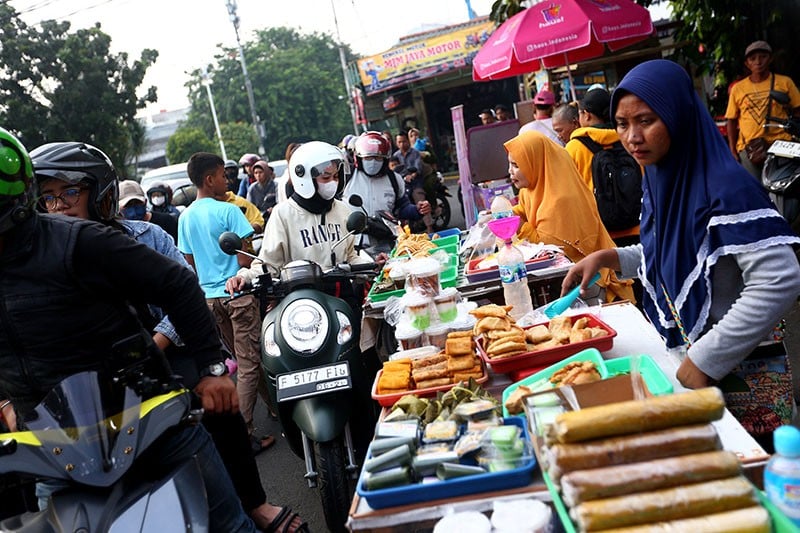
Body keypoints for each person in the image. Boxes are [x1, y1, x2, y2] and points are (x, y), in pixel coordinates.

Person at [31, 141, 306, 532]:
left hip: (164, 356)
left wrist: (161, 349)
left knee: (221, 405)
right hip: (87, 391)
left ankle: (254, 502)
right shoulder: (35, 260)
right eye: (49, 198)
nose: (59, 206)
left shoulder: (146, 237)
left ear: (100, 195)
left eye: (70, 192)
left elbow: (183, 292)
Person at [563, 60, 800, 429]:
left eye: (646, 120)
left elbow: (779, 279)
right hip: (695, 364)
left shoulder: (727, 187)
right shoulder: (660, 179)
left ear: (678, 116)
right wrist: (610, 257)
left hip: (745, 374)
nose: (632, 137)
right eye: (622, 124)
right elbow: (675, 254)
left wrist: (706, 358)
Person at [177, 152, 272, 456]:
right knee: (248, 364)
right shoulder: (229, 212)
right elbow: (246, 261)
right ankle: (242, 434)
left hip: (210, 300)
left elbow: (189, 263)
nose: (227, 181)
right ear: (209, 179)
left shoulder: (185, 217)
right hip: (238, 296)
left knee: (248, 360)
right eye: (222, 175)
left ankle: (275, 407)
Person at [505, 130, 634, 303]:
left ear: (535, 163)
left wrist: (519, 225)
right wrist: (507, 213)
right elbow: (523, 209)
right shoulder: (531, 189)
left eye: (516, 165)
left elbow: (549, 246)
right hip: (570, 277)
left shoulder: (561, 199)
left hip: (588, 281)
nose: (510, 171)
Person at [226, 141, 370, 287]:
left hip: (342, 293)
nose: (332, 182)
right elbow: (268, 265)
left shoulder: (341, 209)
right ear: (304, 178)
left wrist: (375, 266)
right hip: (302, 298)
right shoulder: (283, 214)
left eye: (336, 177)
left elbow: (351, 256)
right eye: (326, 178)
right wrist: (244, 277)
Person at [565, 88, 641, 247]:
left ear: (586, 114)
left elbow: (569, 195)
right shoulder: (630, 139)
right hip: (638, 228)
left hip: (600, 235)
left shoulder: (574, 148)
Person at [343, 131, 430, 254]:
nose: (373, 162)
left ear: (385, 159)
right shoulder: (347, 178)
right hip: (354, 246)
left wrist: (417, 209)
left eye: (377, 158)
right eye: (368, 158)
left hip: (387, 243)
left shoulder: (395, 180)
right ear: (359, 158)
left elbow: (402, 208)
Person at [726, 40, 800, 178]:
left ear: (770, 59)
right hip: (750, 148)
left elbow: (797, 111)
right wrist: (732, 151)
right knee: (755, 189)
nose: (758, 62)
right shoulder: (738, 88)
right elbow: (731, 120)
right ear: (747, 63)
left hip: (781, 145)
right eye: (752, 59)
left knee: (784, 186)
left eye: (763, 57)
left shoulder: (784, 82)